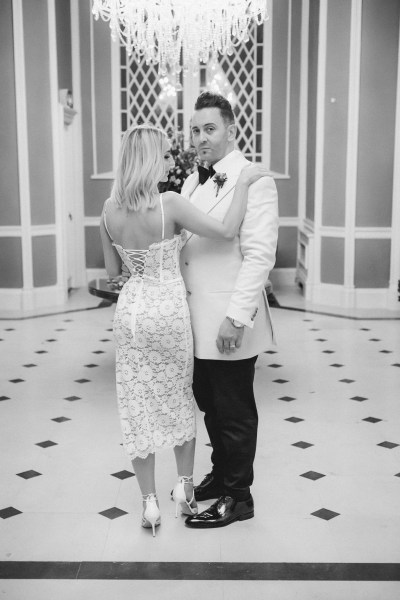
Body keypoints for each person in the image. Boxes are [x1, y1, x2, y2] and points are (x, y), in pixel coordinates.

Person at [99, 124, 269, 537]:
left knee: (137, 406)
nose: (170, 161)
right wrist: (244, 183)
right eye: (163, 154)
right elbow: (227, 230)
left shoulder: (107, 209)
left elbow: (111, 273)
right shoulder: (169, 203)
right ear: (148, 160)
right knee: (178, 400)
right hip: (169, 310)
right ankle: (185, 491)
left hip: (132, 312)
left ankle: (148, 505)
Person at [180, 92, 279, 529]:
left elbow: (258, 256)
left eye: (209, 128)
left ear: (231, 130)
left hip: (227, 320)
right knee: (209, 403)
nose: (200, 138)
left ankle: (239, 497)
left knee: (234, 409)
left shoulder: (254, 179)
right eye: (195, 129)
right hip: (195, 320)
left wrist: (236, 317)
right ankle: (221, 476)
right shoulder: (191, 181)